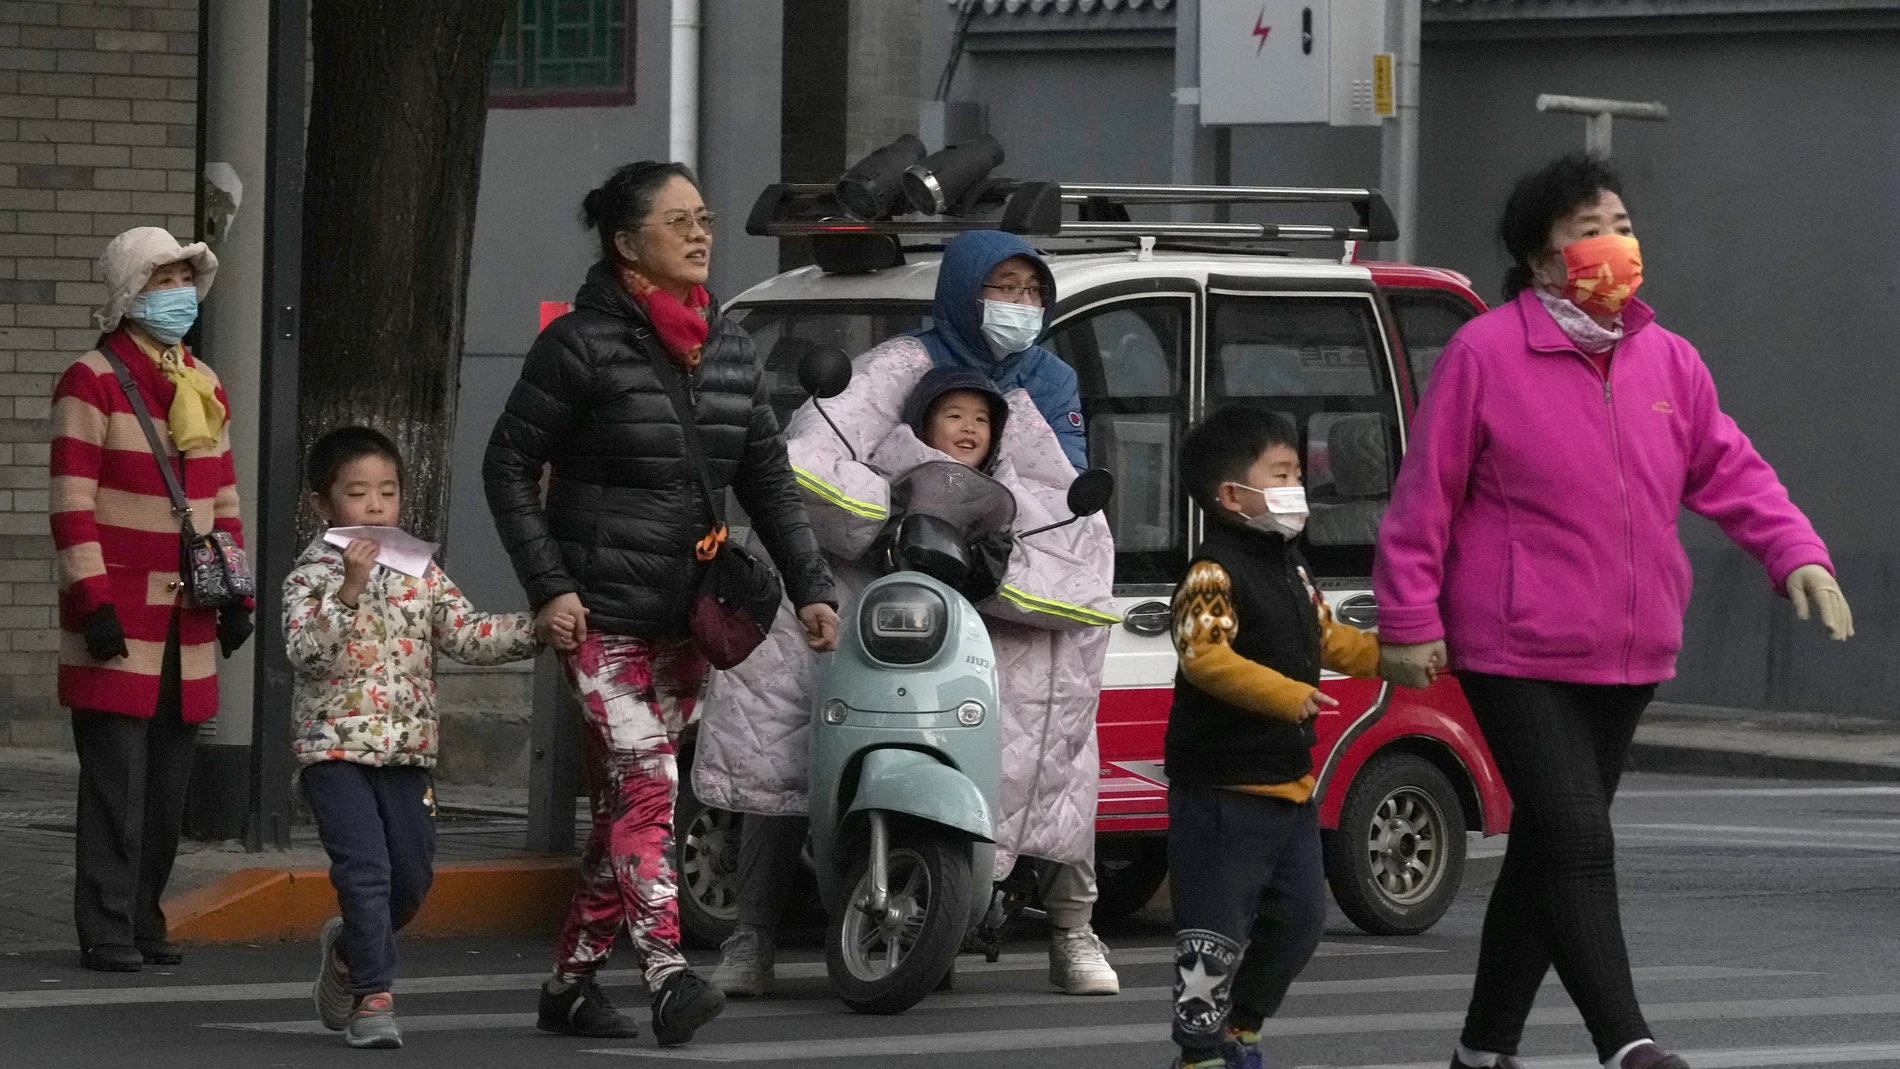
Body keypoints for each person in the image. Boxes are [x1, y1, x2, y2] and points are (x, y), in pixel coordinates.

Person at [1374, 153, 1854, 1069]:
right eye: (1595, 228)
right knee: (1579, 837)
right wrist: (1408, 619)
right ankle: (1627, 1043)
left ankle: (1482, 1053)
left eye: (1625, 225)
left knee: (1548, 849)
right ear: (1544, 259)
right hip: (1513, 644)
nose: (1620, 243)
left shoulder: (1667, 358)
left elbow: (1731, 469)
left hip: (1630, 647)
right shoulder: (1486, 354)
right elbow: (1422, 499)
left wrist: (1796, 552)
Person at [483, 160, 839, 1046]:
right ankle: (669, 975)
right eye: (677, 219)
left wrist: (812, 588)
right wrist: (550, 584)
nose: (700, 232)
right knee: (650, 782)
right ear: (626, 242)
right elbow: (508, 465)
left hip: (689, 617)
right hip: (597, 617)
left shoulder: (722, 341)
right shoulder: (578, 344)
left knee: (629, 807)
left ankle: (569, 983)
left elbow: (765, 474)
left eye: (705, 216)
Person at [695, 311, 1120, 999]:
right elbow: (798, 476)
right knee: (774, 761)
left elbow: (1077, 571)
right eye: (952, 414)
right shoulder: (871, 459)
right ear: (920, 422)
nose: (969, 428)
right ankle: (752, 934)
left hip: (972, 657)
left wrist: (995, 567)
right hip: (858, 641)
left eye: (982, 419)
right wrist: (883, 523)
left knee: (1066, 759)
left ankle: (1074, 930)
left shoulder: (1027, 494)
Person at [286, 427, 569, 1049]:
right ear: (323, 504)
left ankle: (347, 955)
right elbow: (307, 653)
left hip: (408, 750)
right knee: (365, 872)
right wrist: (350, 592)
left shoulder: (419, 570)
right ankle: (373, 999)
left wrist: (539, 628)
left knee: (410, 878)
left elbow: (469, 634)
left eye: (387, 492)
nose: (376, 506)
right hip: (334, 749)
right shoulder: (309, 575)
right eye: (358, 493)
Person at [49, 227, 252, 973]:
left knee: (167, 788)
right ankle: (105, 925)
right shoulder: (90, 378)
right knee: (115, 786)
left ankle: (143, 915)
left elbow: (223, 497)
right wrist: (93, 600)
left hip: (190, 618)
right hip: (116, 619)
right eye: (163, 278)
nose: (179, 294)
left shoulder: (203, 382)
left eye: (184, 277)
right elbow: (71, 504)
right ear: (132, 291)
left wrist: (237, 593)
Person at [1163, 406, 1381, 1069]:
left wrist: (1404, 656)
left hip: (1289, 783)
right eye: (1281, 473)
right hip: (1221, 786)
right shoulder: (1212, 571)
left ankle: (1243, 1028)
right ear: (1232, 496)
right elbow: (1205, 656)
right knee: (1213, 935)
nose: (1296, 488)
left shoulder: (1291, 566)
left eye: (1296, 472)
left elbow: (1329, 637)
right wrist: (1289, 695)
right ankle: (1199, 1051)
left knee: (1301, 920)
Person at [917, 229, 1088, 471]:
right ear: (969, 294)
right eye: (1009, 288)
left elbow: (1067, 478)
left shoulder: (1054, 378)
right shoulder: (908, 362)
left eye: (1034, 290)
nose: (1026, 303)